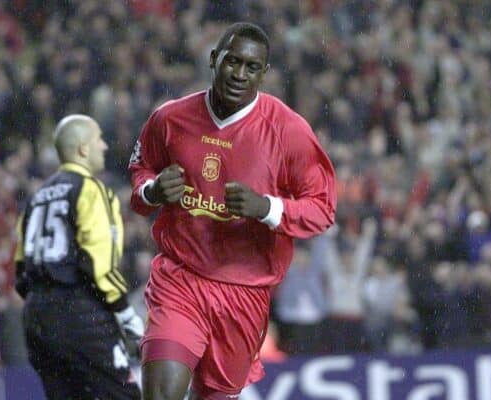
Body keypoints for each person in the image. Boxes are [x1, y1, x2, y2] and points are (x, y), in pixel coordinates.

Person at [129, 22, 337, 400]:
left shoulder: (288, 131)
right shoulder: (170, 119)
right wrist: (153, 189)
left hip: (244, 292)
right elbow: (141, 172)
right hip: (182, 277)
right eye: (232, 62)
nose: (240, 74)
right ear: (214, 60)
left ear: (264, 73)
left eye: (251, 67)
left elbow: (322, 209)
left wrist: (267, 208)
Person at [14, 115, 143, 400]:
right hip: (79, 312)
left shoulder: (36, 199)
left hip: (36, 317)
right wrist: (127, 315)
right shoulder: (90, 189)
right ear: (83, 148)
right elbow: (99, 265)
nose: (105, 146)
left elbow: (20, 272)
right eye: (99, 139)